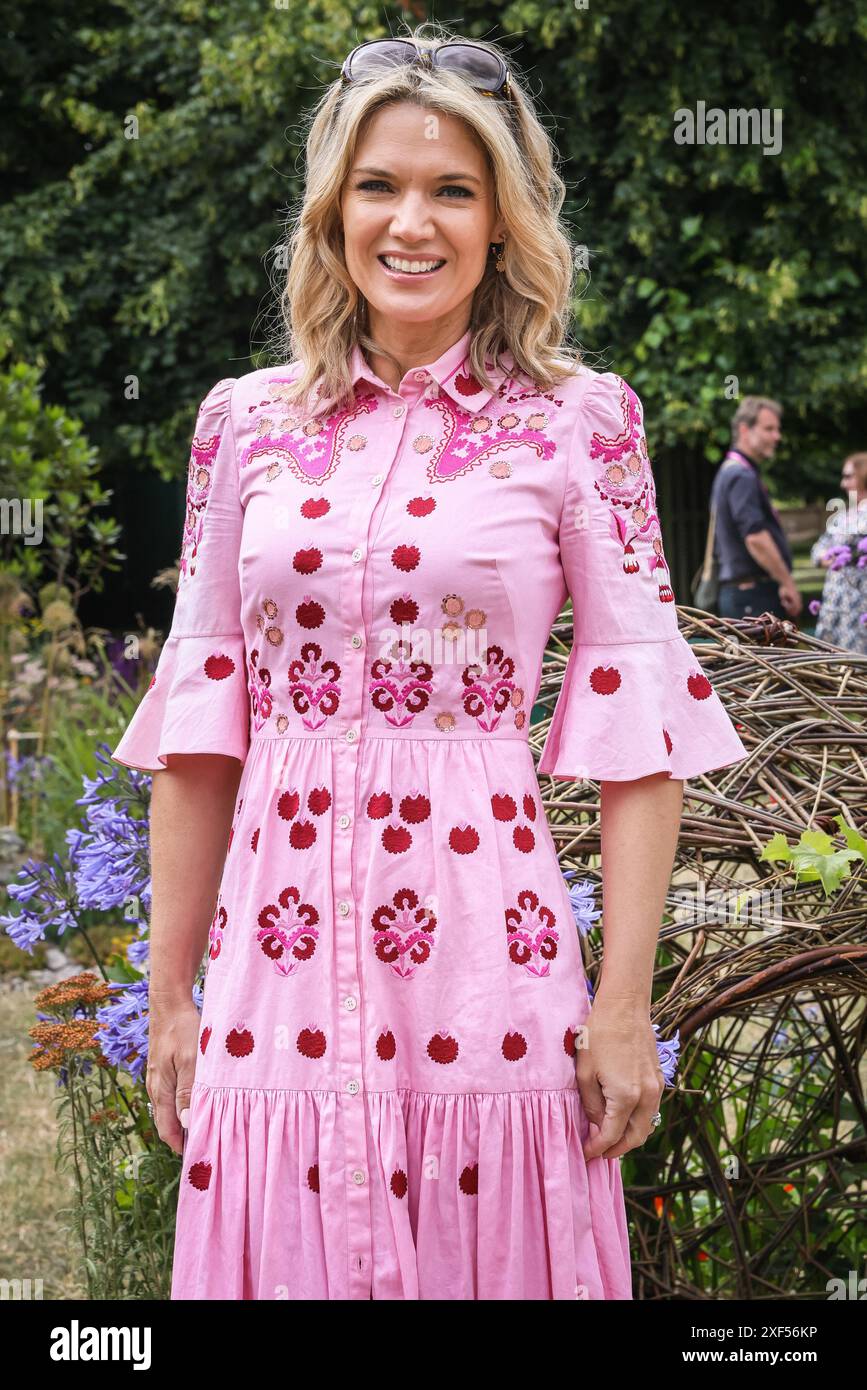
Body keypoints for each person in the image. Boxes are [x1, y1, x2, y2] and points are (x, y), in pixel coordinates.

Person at [111, 24, 748, 1301]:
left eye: (454, 189)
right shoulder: (241, 427)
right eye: (380, 186)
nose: (414, 222)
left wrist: (623, 1003)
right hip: (269, 977)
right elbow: (197, 727)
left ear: (503, 221)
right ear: (332, 208)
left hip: (488, 972)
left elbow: (641, 736)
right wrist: (169, 994)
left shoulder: (584, 424)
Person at [711, 396, 803, 621]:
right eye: (769, 429)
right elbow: (756, 538)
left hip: (746, 596)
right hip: (752, 597)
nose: (777, 436)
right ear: (744, 430)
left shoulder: (733, 471)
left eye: (777, 429)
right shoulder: (741, 475)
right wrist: (787, 583)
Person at [810, 452, 867, 654]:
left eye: (849, 476)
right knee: (831, 666)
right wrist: (833, 557)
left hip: (859, 605)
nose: (843, 484)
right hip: (835, 603)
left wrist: (840, 556)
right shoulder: (843, 516)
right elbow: (818, 550)